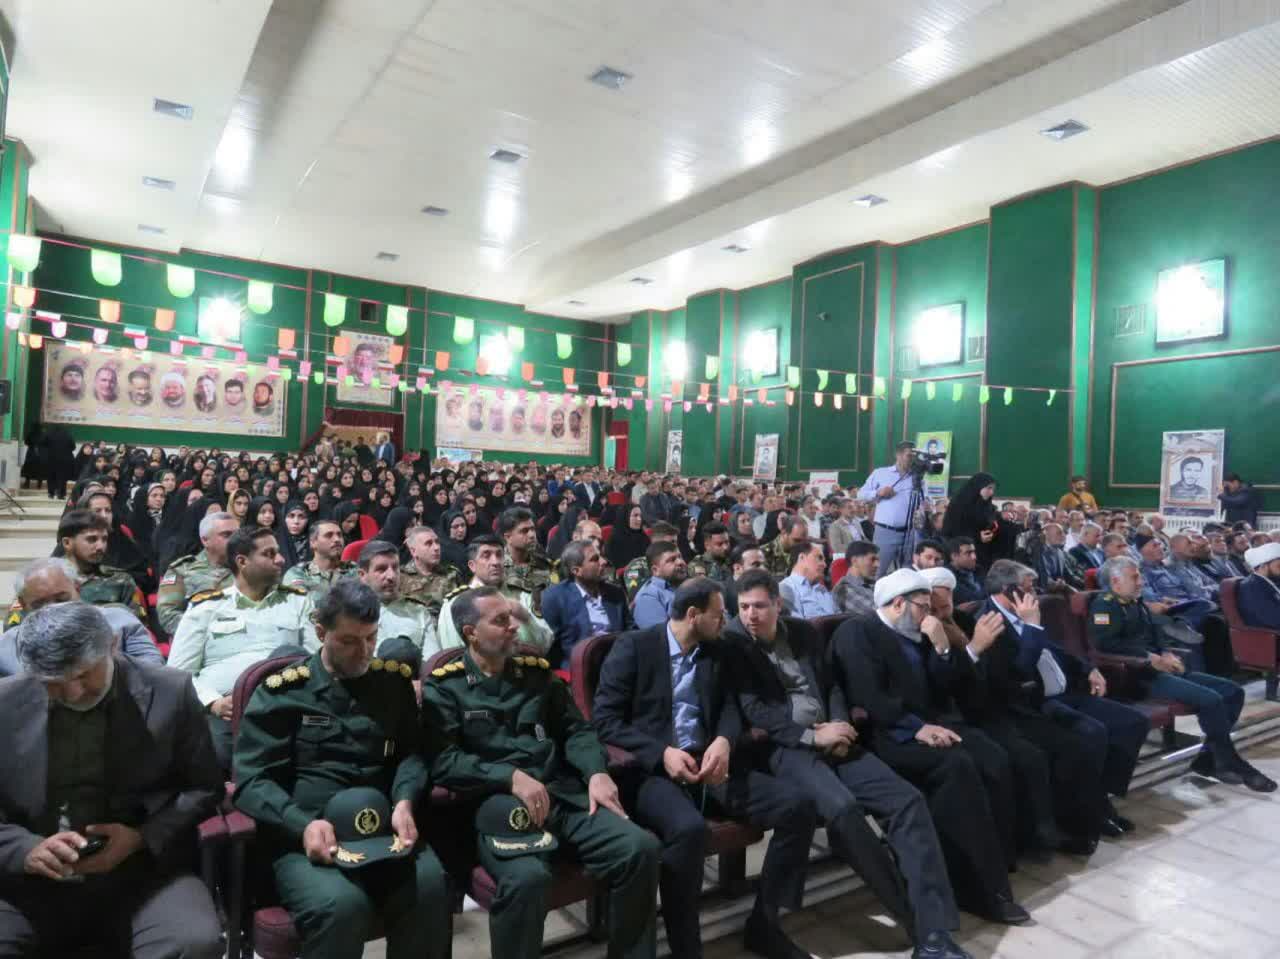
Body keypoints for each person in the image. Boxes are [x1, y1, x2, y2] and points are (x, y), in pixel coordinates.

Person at [724, 570, 976, 959]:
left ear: (777, 603)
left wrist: (840, 725)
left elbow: (832, 685)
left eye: (759, 606)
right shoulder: (734, 643)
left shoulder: (802, 633)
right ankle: (922, 929)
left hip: (834, 735)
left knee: (907, 801)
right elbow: (754, 711)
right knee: (844, 811)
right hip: (786, 747)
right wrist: (812, 737)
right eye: (743, 607)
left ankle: (935, 926)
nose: (750, 615)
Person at [422, 585, 661, 959]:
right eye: (500, 621)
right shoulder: (446, 687)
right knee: (527, 880)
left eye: (511, 617)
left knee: (639, 848)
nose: (513, 627)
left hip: (561, 795)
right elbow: (444, 760)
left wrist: (596, 772)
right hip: (501, 809)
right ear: (471, 633)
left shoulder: (535, 673)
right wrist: (510, 777)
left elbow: (577, 731)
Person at [593, 578, 818, 959]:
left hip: (709, 763)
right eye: (719, 614)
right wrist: (661, 752)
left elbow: (730, 706)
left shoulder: (717, 650)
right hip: (653, 770)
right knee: (689, 830)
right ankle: (687, 949)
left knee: (798, 806)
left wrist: (725, 740)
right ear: (694, 615)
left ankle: (765, 924)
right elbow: (605, 721)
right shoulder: (634, 647)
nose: (726, 620)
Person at [233, 579, 449, 959]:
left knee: (430, 886)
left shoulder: (392, 684)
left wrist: (404, 800)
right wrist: (301, 824)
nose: (364, 651)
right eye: (349, 641)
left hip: (381, 829)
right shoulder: (285, 692)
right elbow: (252, 780)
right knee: (342, 907)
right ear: (321, 632)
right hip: (307, 833)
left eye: (371, 638)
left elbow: (411, 755)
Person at [0, 602, 223, 958]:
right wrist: (24, 849)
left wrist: (140, 838)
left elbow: (203, 789)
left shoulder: (170, 691)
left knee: (192, 941)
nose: (73, 693)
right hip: (28, 881)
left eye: (83, 675)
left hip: (139, 874)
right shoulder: (5, 702)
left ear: (113, 645)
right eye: (53, 683)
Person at [826, 569, 1029, 924]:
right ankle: (975, 889)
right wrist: (916, 728)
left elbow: (944, 688)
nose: (928, 615)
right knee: (956, 766)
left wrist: (941, 647)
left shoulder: (917, 631)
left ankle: (996, 868)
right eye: (923, 607)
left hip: (929, 723)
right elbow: (868, 696)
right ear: (898, 604)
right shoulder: (858, 633)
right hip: (885, 734)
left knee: (991, 758)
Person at [946, 564, 1105, 856]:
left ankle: (1083, 822)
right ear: (1010, 591)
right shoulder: (987, 620)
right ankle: (1046, 833)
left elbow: (1052, 649)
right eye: (1030, 587)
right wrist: (1032, 626)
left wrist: (1087, 668)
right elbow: (1017, 672)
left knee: (1079, 743)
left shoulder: (1018, 615)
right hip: (1002, 707)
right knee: (1044, 753)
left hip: (1031, 701)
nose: (1036, 592)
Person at [1089, 556, 1273, 792]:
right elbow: (1105, 644)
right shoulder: (1104, 605)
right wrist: (1150, 657)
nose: (1140, 581)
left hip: (1162, 668)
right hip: (1138, 675)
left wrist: (1167, 653)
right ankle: (1229, 760)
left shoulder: (1135, 601)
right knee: (1211, 699)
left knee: (1233, 691)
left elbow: (1155, 635)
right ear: (1115, 581)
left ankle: (1208, 758)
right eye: (1134, 577)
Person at [167, 526, 318, 772]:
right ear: (242, 561)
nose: (281, 559)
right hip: (227, 711)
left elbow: (317, 659)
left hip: (287, 706)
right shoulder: (207, 607)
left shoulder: (297, 602)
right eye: (269, 554)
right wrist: (213, 702)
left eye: (278, 552)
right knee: (215, 760)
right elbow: (178, 672)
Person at [0, 558, 163, 676]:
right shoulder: (7, 648)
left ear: (77, 589)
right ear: (23, 603)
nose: (53, 610)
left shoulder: (120, 622)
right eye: (40, 605)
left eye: (62, 599)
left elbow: (153, 672)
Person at [9, 510, 148, 628]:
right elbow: (13, 627)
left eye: (104, 539)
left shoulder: (120, 580)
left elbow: (138, 627)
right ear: (67, 543)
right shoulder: (41, 579)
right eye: (91, 539)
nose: (100, 546)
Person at [437, 536, 554, 654]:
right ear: (472, 566)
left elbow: (546, 645)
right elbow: (453, 653)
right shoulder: (454, 604)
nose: (495, 562)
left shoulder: (523, 596)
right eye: (486, 556)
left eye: (499, 555)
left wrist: (527, 619)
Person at [540, 540, 631, 670]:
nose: (603, 562)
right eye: (595, 559)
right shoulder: (555, 598)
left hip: (619, 663)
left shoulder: (615, 593)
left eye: (601, 556)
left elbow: (631, 631)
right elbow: (548, 645)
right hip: (582, 669)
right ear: (577, 571)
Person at [156, 511, 237, 636]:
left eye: (237, 534)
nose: (235, 540)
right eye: (226, 535)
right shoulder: (183, 570)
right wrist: (209, 630)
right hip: (202, 639)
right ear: (205, 540)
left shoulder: (251, 567)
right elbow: (168, 614)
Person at [355, 540, 437, 658]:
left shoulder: (419, 612)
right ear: (363, 575)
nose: (391, 576)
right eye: (381, 569)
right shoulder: (349, 614)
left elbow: (432, 662)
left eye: (395, 568)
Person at [857, 441, 925, 571]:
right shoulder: (880, 473)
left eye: (915, 456)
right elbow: (860, 494)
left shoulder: (917, 478)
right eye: (909, 455)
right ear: (898, 455)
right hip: (885, 532)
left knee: (907, 572)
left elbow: (924, 499)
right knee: (878, 571)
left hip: (910, 532)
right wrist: (878, 492)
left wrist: (926, 504)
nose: (912, 459)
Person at [283, 519, 357, 604]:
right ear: (313, 543)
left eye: (339, 535)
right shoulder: (298, 573)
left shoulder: (353, 569)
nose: (337, 539)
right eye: (329, 535)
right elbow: (301, 607)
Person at [940, 473, 1003, 573]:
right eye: (989, 488)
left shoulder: (988, 506)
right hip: (962, 555)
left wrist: (991, 530)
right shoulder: (959, 504)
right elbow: (952, 531)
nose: (991, 492)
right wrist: (977, 536)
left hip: (984, 554)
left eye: (993, 489)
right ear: (978, 486)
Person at [398, 525, 461, 616]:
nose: (436, 548)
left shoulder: (452, 574)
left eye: (437, 542)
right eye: (428, 543)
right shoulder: (400, 577)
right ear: (413, 551)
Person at [500, 506, 558, 594]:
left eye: (533, 529)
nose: (532, 535)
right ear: (508, 537)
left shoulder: (544, 564)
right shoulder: (495, 566)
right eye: (524, 531)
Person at [633, 541, 687, 629]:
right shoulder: (648, 597)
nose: (680, 562)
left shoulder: (688, 585)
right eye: (672, 560)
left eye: (680, 557)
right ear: (655, 570)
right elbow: (659, 635)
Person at [778, 541, 836, 618]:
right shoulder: (786, 587)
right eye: (820, 558)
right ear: (801, 557)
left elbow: (840, 617)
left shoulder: (823, 590)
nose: (824, 565)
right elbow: (795, 623)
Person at [622, 522, 677, 601]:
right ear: (657, 544)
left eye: (676, 542)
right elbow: (636, 595)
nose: (675, 546)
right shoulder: (635, 566)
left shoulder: (678, 564)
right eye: (671, 542)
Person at [1238, 542, 1280, 630]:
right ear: (1263, 567)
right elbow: (1274, 619)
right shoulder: (1251, 587)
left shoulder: (1271, 581)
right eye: (1279, 566)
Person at [833, 541, 880, 616]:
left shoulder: (873, 582)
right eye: (872, 559)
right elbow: (880, 614)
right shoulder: (843, 589)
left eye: (877, 560)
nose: (877, 565)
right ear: (855, 561)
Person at [761, 513, 809, 578]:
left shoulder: (806, 552)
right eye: (796, 540)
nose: (801, 544)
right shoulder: (764, 553)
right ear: (784, 533)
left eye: (804, 541)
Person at [944, 537, 985, 605]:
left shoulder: (978, 570)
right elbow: (971, 598)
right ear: (954, 556)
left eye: (974, 552)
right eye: (968, 553)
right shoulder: (947, 577)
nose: (974, 557)